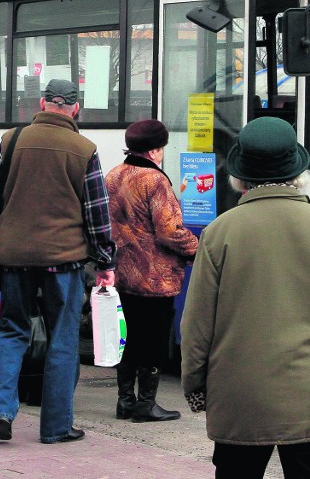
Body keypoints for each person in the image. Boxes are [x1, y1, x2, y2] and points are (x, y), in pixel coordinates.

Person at [180, 116, 310, 479]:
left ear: (240, 177)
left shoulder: (218, 232)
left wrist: (194, 382)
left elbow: (197, 323)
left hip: (239, 392)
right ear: (298, 172)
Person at [0, 79, 116, 443]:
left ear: (41, 104)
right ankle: (56, 427)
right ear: (76, 109)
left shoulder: (11, 140)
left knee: (12, 330)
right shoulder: (83, 148)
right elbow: (96, 212)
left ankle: (3, 412)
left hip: (14, 256)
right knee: (63, 339)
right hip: (64, 260)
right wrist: (106, 259)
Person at [105, 119, 198, 423]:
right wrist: (198, 249)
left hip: (123, 273)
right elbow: (169, 231)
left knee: (128, 337)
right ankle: (146, 404)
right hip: (155, 276)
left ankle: (125, 402)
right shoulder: (155, 180)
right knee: (154, 339)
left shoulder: (114, 175)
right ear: (156, 150)